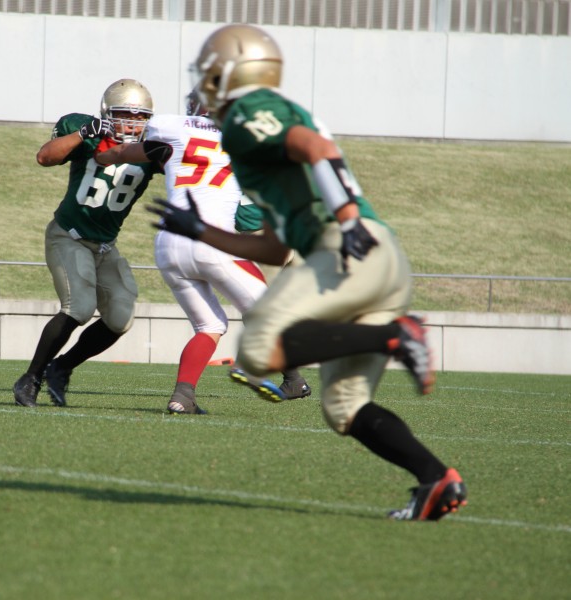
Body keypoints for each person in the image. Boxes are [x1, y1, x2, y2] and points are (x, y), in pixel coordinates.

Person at [150, 24, 467, 520]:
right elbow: (274, 247)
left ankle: (395, 335)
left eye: (211, 72)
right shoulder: (252, 142)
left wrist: (346, 219)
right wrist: (202, 231)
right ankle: (436, 480)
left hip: (345, 247)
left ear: (230, 73)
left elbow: (315, 147)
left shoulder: (250, 113)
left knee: (257, 349)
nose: (204, 83)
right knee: (344, 408)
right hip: (378, 261)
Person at [94, 90, 310, 414]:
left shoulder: (171, 131)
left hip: (169, 245)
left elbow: (122, 152)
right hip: (212, 240)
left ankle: (182, 397)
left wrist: (101, 156)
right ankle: (284, 375)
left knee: (209, 325)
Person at [13, 78, 161, 407]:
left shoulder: (151, 147)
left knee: (120, 317)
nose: (133, 123)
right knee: (79, 307)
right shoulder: (86, 131)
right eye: (125, 115)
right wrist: (83, 133)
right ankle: (30, 378)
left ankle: (61, 367)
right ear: (107, 114)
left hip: (105, 245)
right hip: (69, 236)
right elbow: (44, 157)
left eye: (140, 116)